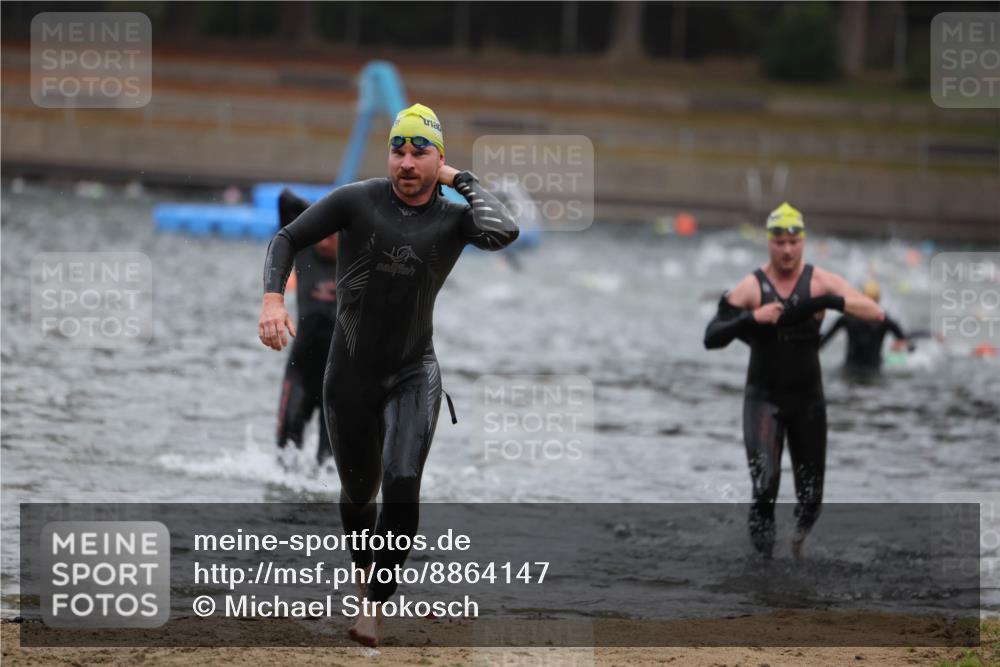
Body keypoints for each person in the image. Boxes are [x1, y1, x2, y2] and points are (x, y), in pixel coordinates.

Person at [257, 103, 518, 646]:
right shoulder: (358, 200)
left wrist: (459, 180)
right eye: (397, 148)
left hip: (412, 373)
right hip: (348, 376)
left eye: (419, 151)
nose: (405, 162)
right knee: (358, 496)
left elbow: (506, 229)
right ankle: (363, 582)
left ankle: (372, 608)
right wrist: (271, 302)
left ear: (439, 159)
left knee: (401, 480)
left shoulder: (455, 219)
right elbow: (286, 238)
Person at [703, 203, 884, 558]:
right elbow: (711, 336)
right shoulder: (752, 286)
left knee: (812, 499)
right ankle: (763, 565)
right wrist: (752, 319)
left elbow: (875, 313)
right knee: (765, 485)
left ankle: (796, 546)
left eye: (793, 241)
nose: (787, 250)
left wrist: (830, 301)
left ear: (803, 241)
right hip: (763, 402)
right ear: (769, 243)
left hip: (808, 404)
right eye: (779, 242)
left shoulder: (819, 281)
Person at [274, 189, 339, 468]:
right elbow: (285, 200)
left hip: (337, 380)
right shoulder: (304, 254)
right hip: (300, 369)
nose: (322, 241)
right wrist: (325, 215)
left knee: (329, 462)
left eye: (330, 234)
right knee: (284, 453)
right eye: (319, 233)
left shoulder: (355, 262)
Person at [819, 279, 913, 374]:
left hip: (850, 371)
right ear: (878, 299)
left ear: (862, 298)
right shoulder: (885, 321)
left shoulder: (847, 318)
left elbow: (823, 342)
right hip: (874, 372)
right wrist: (899, 349)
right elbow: (908, 345)